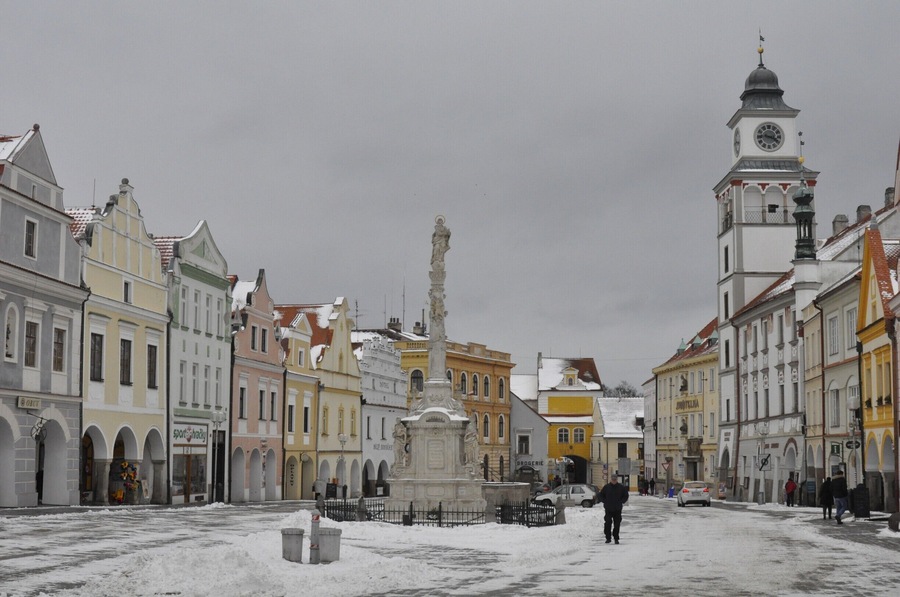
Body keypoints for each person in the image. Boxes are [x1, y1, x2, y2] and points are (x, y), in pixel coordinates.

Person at [598, 475, 629, 544]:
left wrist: (621, 501)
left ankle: (616, 538)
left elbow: (626, 495)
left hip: (617, 509)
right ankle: (608, 538)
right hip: (608, 509)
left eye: (615, 479)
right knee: (608, 523)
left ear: (617, 480)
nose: (614, 481)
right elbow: (600, 495)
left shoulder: (621, 487)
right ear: (611, 479)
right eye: (613, 479)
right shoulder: (606, 487)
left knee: (617, 524)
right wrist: (605, 501)